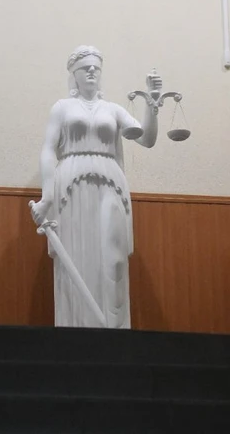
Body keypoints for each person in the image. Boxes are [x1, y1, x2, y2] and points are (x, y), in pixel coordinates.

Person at [29, 45, 161, 329]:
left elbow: (147, 139)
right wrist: (46, 197)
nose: (91, 71)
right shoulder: (62, 108)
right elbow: (48, 150)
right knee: (77, 256)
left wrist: (152, 104)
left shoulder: (113, 110)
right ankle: (76, 329)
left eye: (96, 68)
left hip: (110, 183)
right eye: (85, 67)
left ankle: (114, 330)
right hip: (70, 187)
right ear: (74, 74)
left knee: (112, 257)